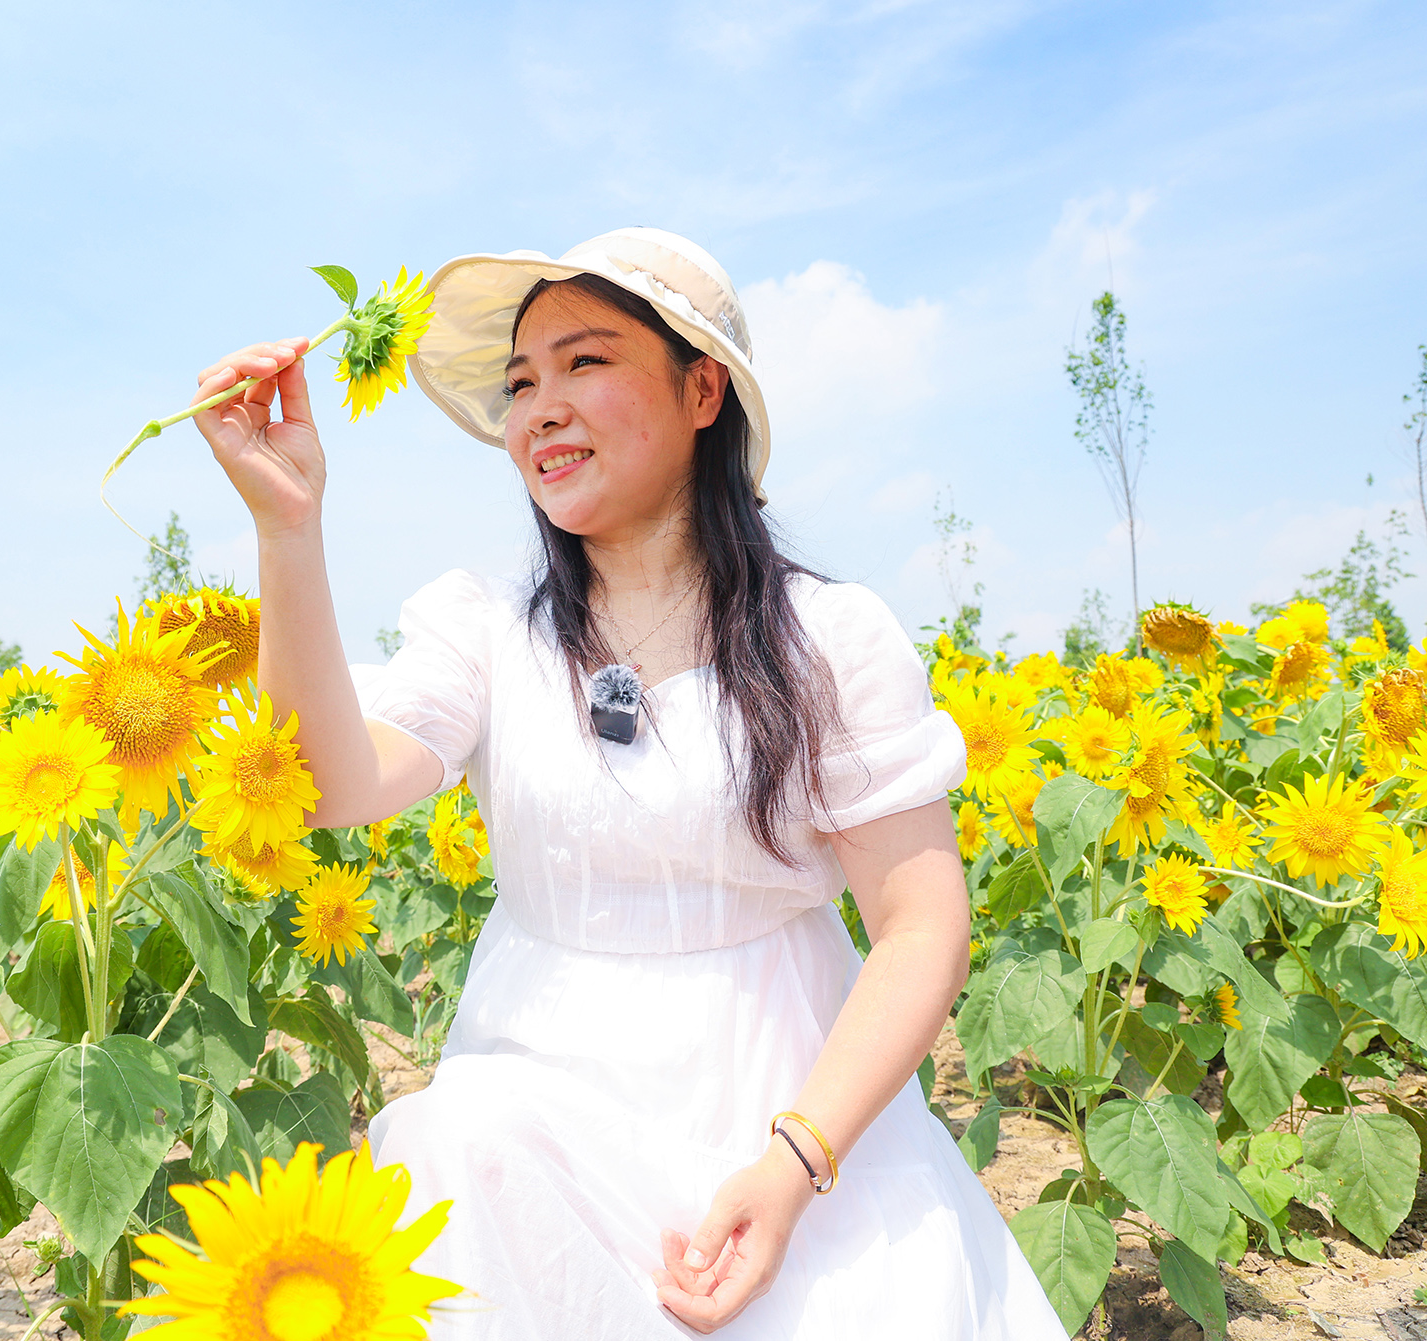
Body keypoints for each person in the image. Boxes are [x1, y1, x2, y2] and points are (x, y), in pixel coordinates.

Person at [189, 228, 1066, 1339]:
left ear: (701, 391)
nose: (539, 408)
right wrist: (288, 527)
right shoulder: (486, 636)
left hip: (782, 1112)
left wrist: (795, 1161)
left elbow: (918, 923)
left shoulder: (823, 642)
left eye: (584, 363)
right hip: (533, 1116)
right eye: (519, 382)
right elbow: (325, 783)